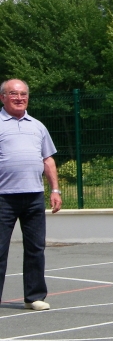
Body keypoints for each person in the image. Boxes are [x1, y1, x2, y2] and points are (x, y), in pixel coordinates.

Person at [0, 79, 62, 311]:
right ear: (3, 97)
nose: (19, 98)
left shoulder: (37, 126)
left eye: (23, 94)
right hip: (3, 197)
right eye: (13, 94)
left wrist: (54, 190)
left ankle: (34, 296)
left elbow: (48, 159)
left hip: (34, 196)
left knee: (36, 248)